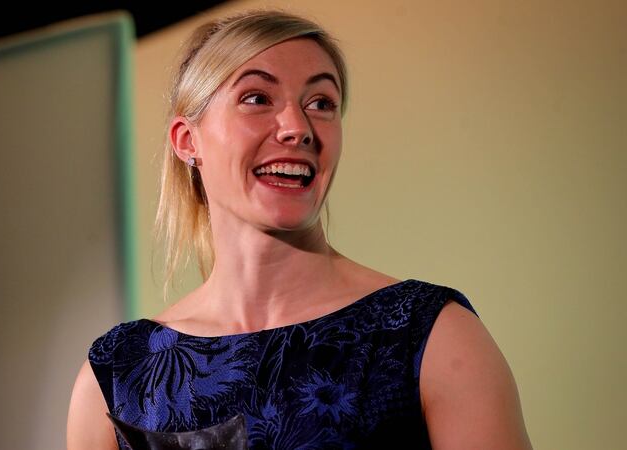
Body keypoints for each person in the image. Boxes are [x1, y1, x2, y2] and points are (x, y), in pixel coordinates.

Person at [67, 9, 532, 449]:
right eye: (257, 98)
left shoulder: (432, 336)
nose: (296, 127)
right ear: (188, 141)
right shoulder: (115, 376)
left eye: (321, 102)